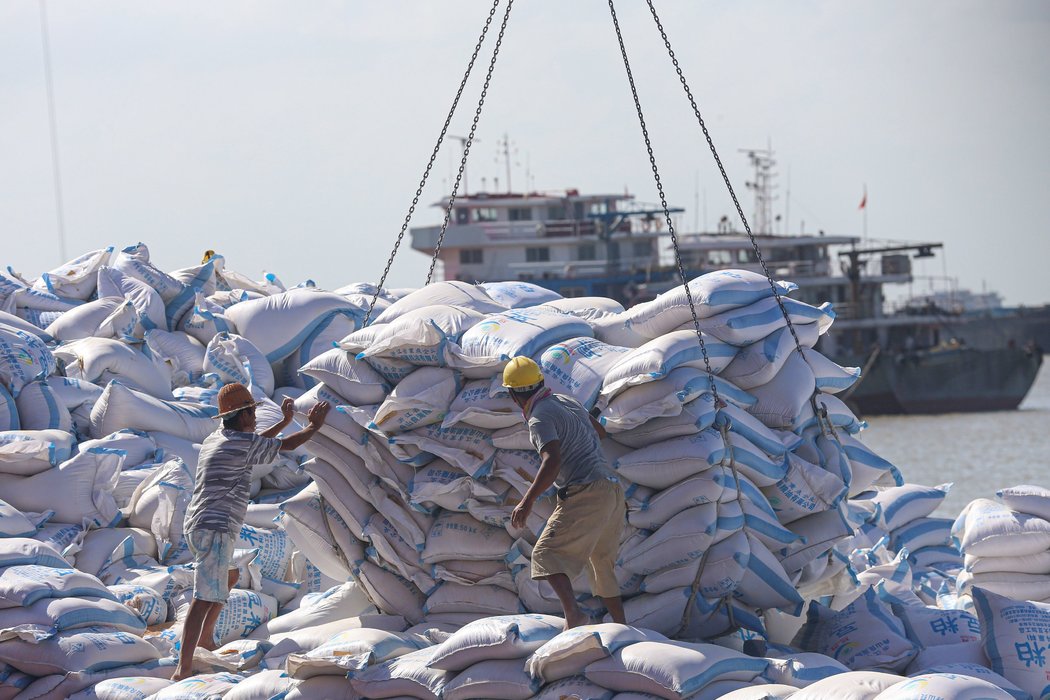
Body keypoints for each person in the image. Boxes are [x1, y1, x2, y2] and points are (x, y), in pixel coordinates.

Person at [172, 383, 330, 681]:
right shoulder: (235, 443)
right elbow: (290, 445)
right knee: (203, 596)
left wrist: (283, 422)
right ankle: (184, 666)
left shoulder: (218, 438)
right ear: (241, 415)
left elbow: (258, 443)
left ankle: (206, 639)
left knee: (229, 576)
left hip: (203, 524)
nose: (256, 417)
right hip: (215, 527)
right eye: (252, 412)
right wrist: (313, 426)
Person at [505, 356, 626, 629]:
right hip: (612, 488)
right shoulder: (565, 401)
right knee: (601, 563)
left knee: (545, 554)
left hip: (587, 490)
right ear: (540, 383)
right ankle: (621, 626)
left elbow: (552, 460)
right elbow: (600, 432)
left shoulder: (538, 418)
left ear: (513, 395)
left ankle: (574, 617)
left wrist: (527, 502)